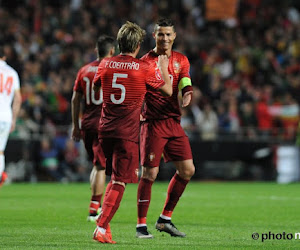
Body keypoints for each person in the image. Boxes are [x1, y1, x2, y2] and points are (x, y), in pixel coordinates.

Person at [92, 21, 172, 244]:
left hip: (105, 130)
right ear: (138, 45)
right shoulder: (144, 68)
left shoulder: (106, 63)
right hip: (126, 132)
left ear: (119, 43)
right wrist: (163, 67)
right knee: (120, 181)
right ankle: (100, 227)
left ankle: (104, 225)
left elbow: (97, 87)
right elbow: (166, 90)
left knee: (115, 178)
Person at [136, 18, 195, 238]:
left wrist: (188, 92)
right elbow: (163, 89)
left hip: (173, 122)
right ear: (154, 36)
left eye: (168, 34)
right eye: (161, 34)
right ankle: (141, 226)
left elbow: (184, 79)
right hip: (152, 122)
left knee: (187, 170)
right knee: (150, 173)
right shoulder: (145, 62)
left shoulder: (181, 59)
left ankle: (164, 219)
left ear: (175, 36)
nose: (165, 38)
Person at [71, 35, 115, 221]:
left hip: (87, 123)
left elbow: (75, 100)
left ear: (96, 50)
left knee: (96, 165)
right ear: (112, 51)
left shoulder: (84, 70)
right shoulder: (112, 69)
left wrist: (76, 125)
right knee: (101, 167)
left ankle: (94, 206)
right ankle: (93, 210)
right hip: (103, 123)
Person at [0, 45, 22, 187]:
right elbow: (18, 98)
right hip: (6, 116)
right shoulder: (12, 73)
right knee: (0, 150)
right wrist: (14, 119)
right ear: (4, 57)